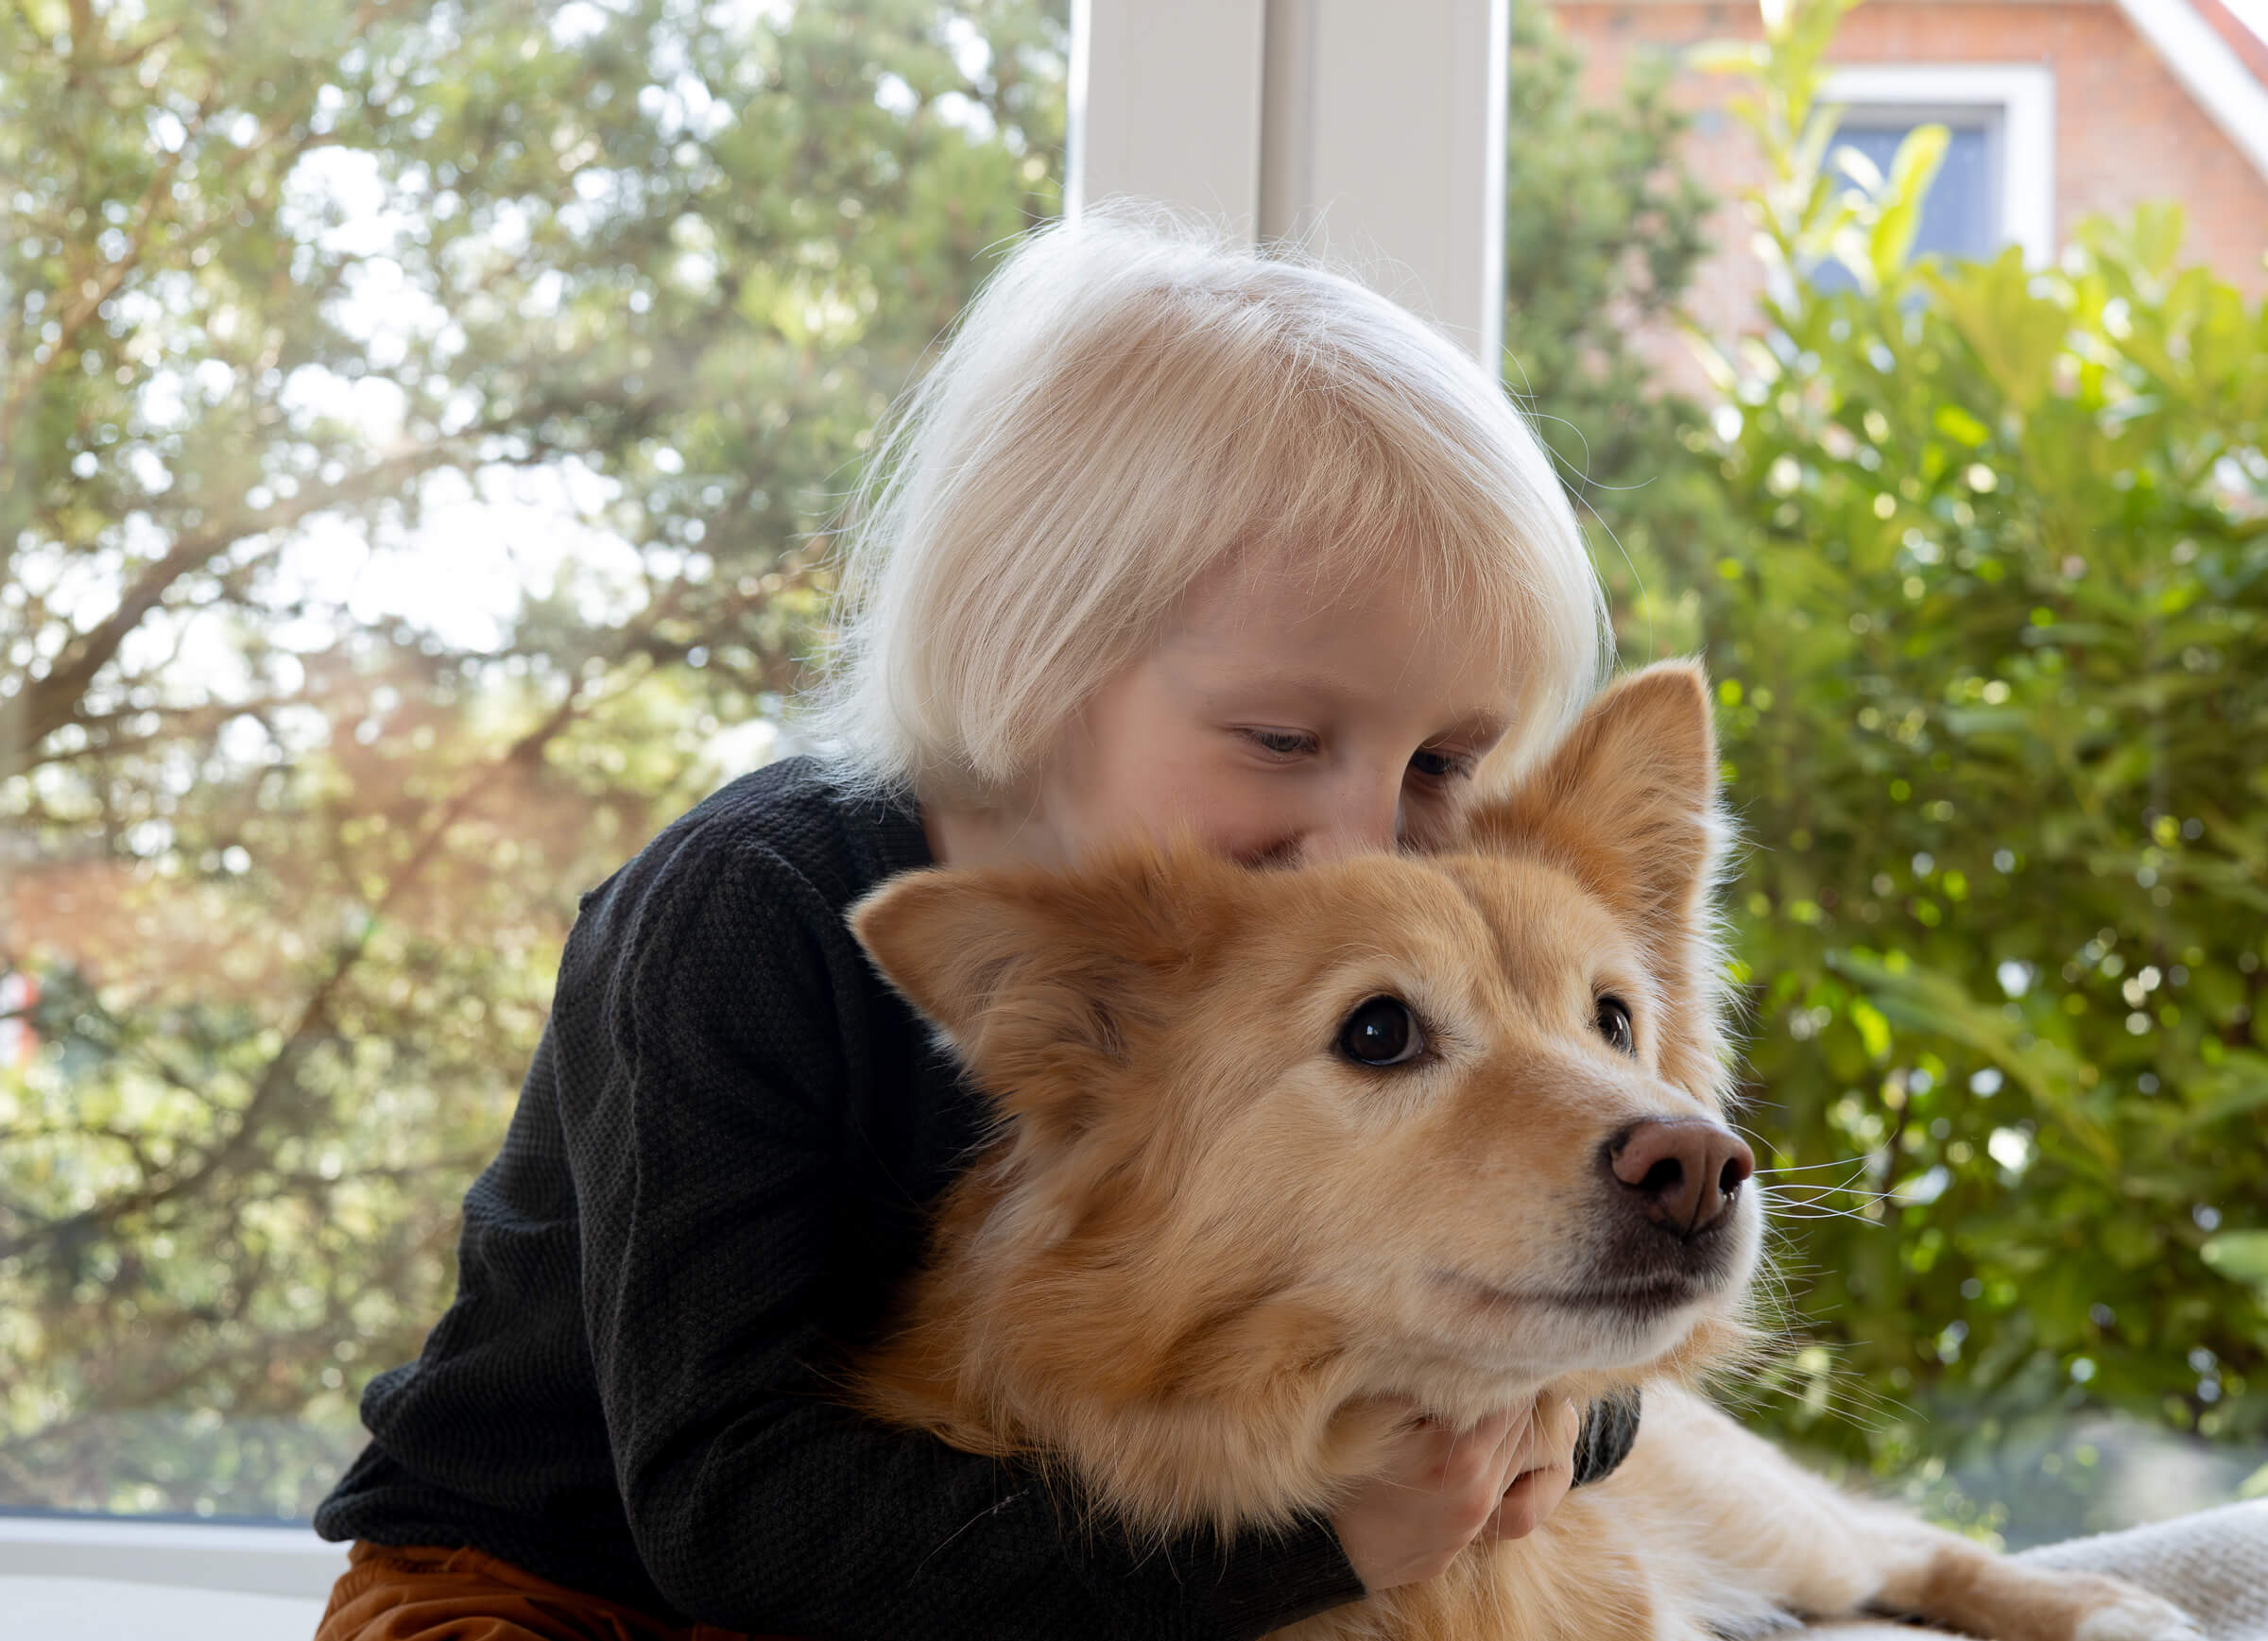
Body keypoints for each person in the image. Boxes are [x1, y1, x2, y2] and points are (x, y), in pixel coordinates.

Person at [310, 206, 1635, 1641]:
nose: (1374, 836)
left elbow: (1566, 1349)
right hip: (552, 1570)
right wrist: (1331, 1536)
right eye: (1280, 737)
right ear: (1038, 651)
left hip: (975, 1564)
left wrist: (1564, 1408)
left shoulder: (1284, 985)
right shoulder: (741, 912)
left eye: (1442, 765)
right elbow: (722, 1503)